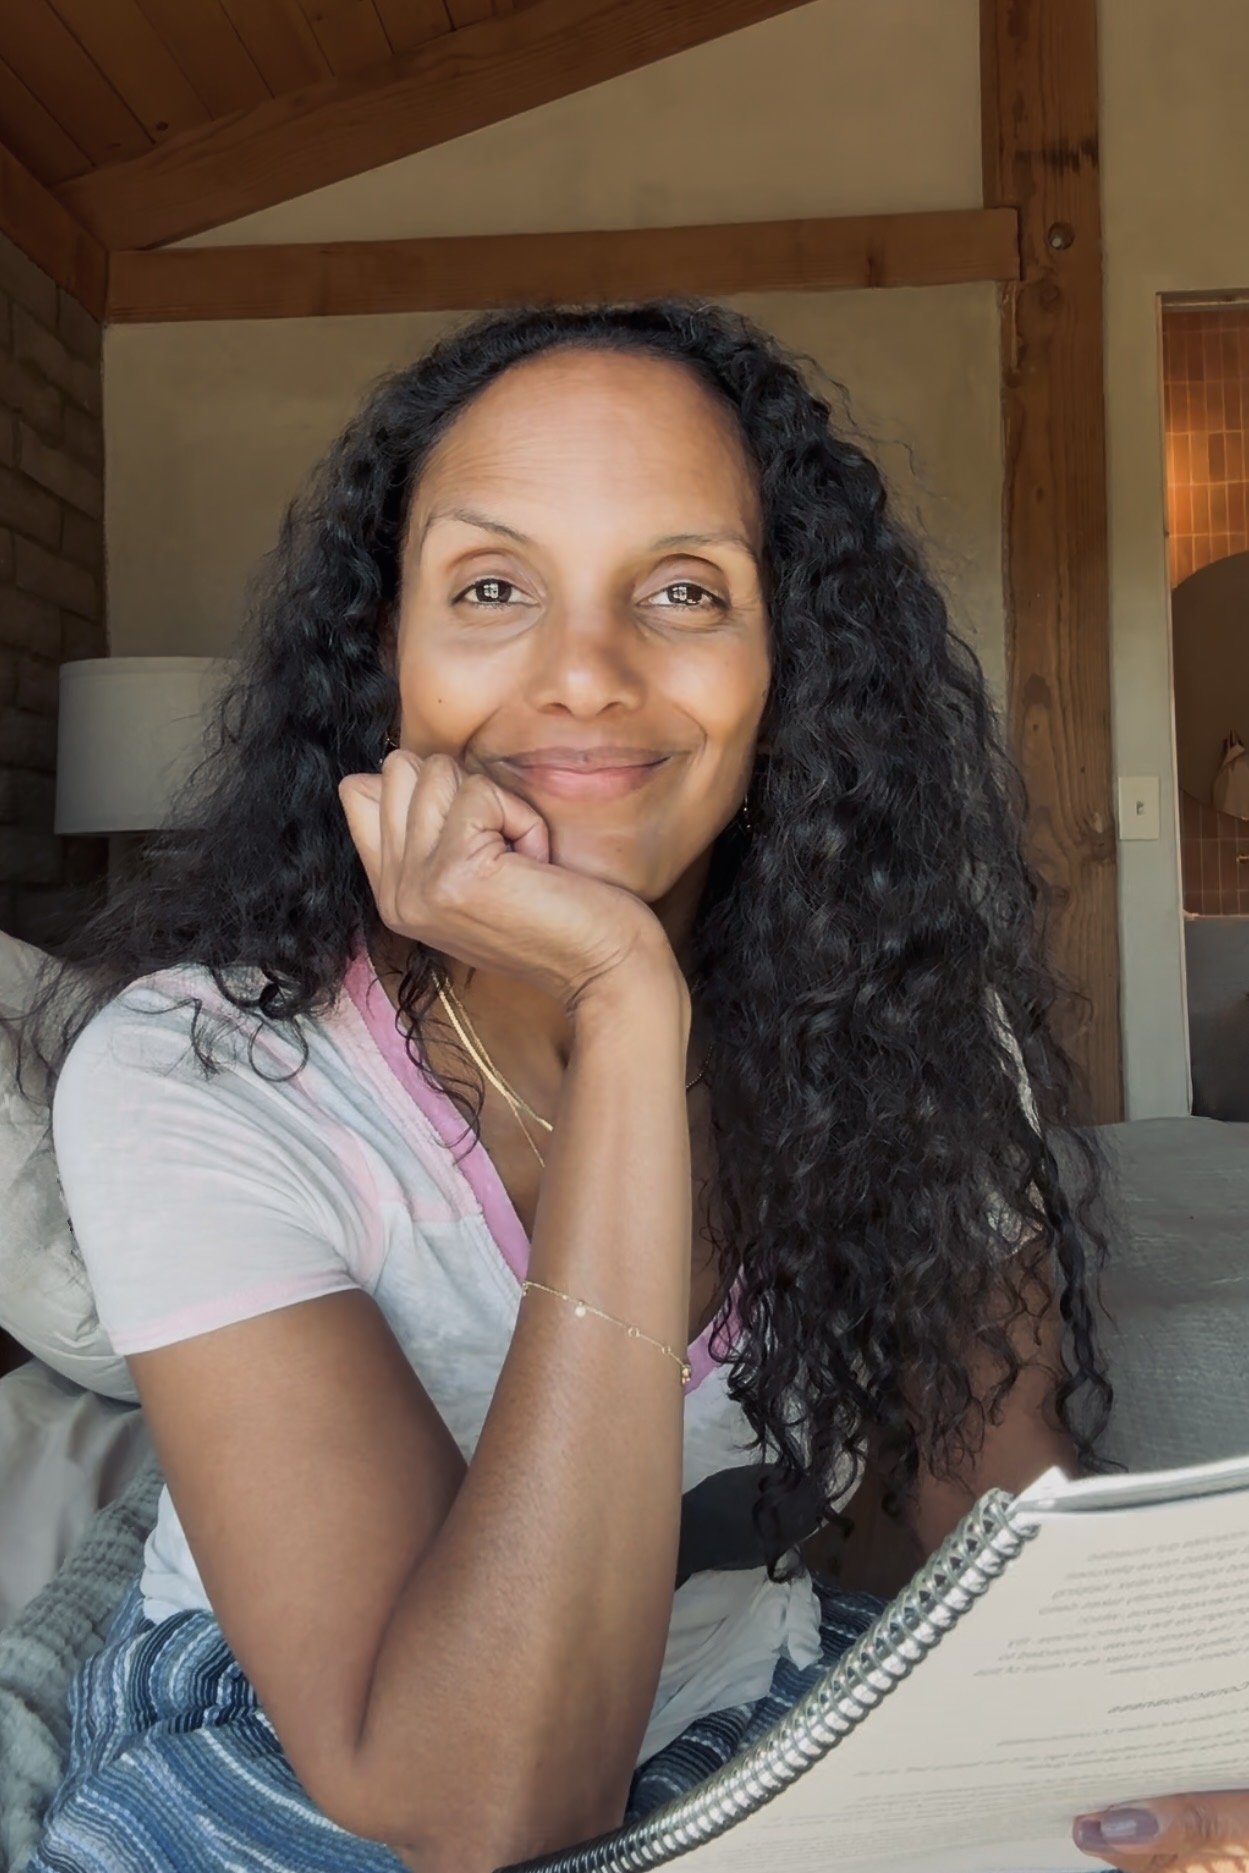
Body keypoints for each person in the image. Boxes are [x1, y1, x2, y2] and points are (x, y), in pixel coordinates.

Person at [8, 298, 1121, 1873]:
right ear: (381, 658)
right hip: (318, 1768)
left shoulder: (908, 1033)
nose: (585, 673)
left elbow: (995, 1525)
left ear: (784, 661)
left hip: (768, 1702)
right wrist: (620, 1001)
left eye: (680, 588)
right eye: (490, 586)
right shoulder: (196, 1069)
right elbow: (478, 1800)